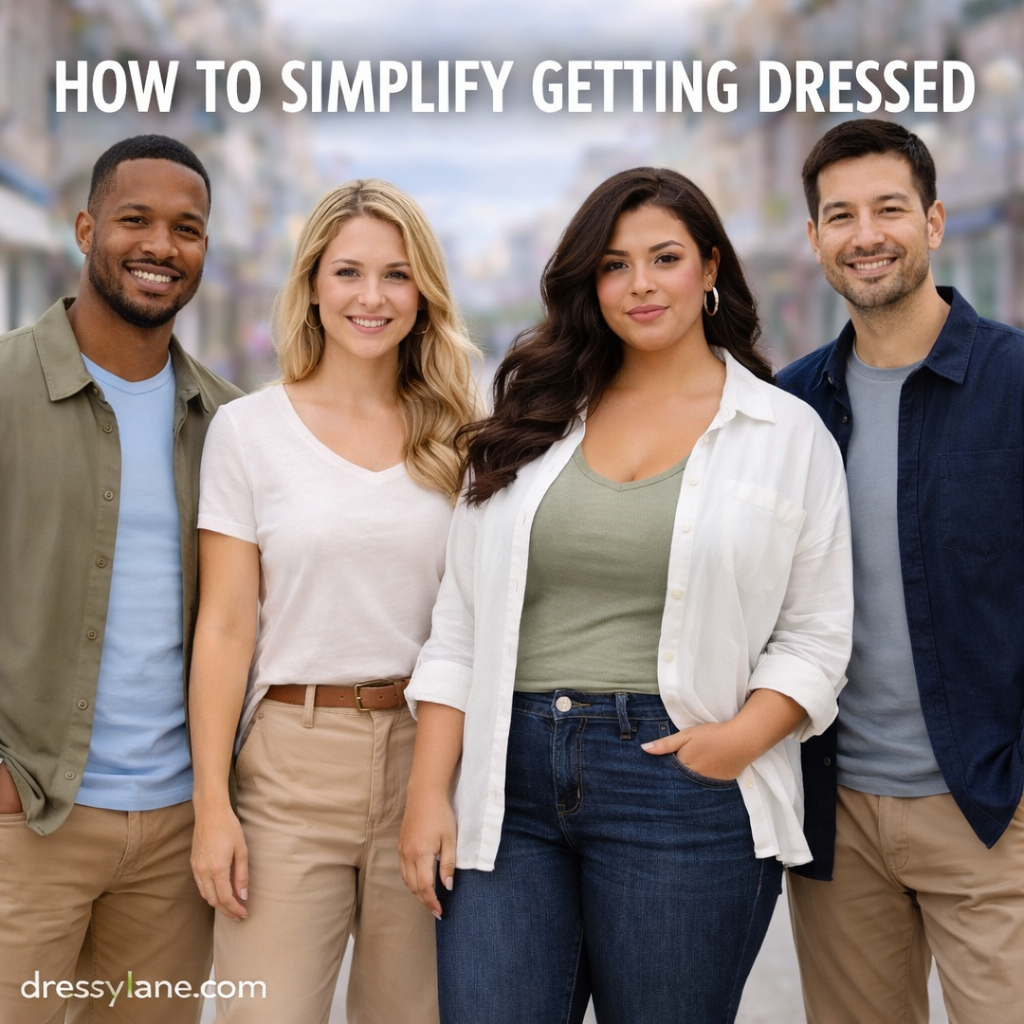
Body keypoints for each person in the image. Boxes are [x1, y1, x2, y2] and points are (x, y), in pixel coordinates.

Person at [398, 167, 853, 1024]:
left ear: (711, 268)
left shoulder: (784, 433)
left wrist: (735, 743)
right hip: (509, 781)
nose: (640, 284)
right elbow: (457, 625)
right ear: (589, 284)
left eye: (665, 258)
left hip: (678, 784)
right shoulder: (534, 413)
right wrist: (429, 796)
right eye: (613, 264)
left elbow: (819, 632)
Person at [188, 178, 479, 1024]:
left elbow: (469, 626)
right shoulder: (248, 433)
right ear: (313, 284)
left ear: (423, 295)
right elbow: (226, 627)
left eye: (396, 275)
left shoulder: (462, 438)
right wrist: (214, 808)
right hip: (288, 765)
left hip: (427, 763)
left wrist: (439, 789)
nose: (372, 297)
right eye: (348, 272)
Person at [778, 118, 1024, 1024]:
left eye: (889, 208)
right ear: (814, 241)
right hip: (838, 818)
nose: (865, 234)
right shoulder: (791, 405)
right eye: (840, 216)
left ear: (933, 222)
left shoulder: (1014, 383)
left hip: (991, 810)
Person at [0, 135, 241, 1024]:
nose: (160, 246)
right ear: (85, 227)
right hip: (27, 823)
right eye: (135, 219)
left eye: (187, 228)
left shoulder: (227, 422)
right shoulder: (4, 389)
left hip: (176, 834)